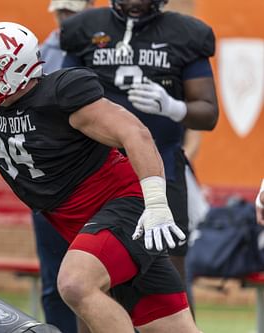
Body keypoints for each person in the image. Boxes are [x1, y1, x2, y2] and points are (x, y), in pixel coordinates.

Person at [0, 18, 199, 332]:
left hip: (123, 206)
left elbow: (136, 134)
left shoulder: (60, 94)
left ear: (17, 65)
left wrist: (156, 203)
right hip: (77, 221)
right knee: (173, 328)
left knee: (76, 284)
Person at [59, 0, 219, 313]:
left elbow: (209, 114)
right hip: (95, 171)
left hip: (161, 168)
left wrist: (175, 107)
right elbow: (60, 97)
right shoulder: (85, 28)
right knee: (89, 281)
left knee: (169, 278)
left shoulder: (186, 33)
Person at [36, 1, 94, 332]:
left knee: (100, 278)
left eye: (71, 13)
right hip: (50, 180)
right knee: (54, 277)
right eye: (61, 13)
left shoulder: (103, 47)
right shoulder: (40, 53)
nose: (65, 20)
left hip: (92, 177)